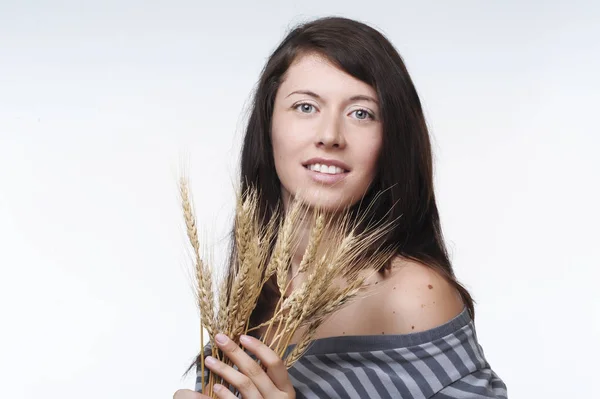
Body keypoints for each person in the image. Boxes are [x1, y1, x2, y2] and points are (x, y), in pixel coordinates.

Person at [174, 16, 507, 399]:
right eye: (305, 107)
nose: (330, 136)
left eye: (361, 113)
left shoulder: (413, 296)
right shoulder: (248, 301)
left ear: (390, 139)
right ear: (268, 126)